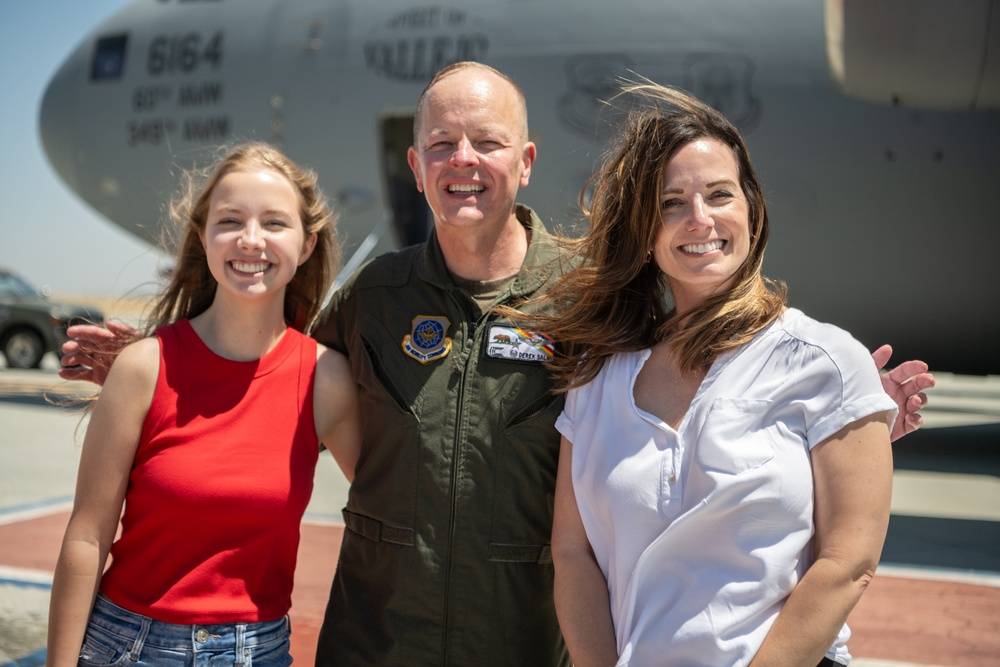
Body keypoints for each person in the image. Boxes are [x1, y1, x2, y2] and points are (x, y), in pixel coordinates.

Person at [58, 64, 934, 666]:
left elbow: (696, 387)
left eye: (485, 142)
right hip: (379, 642)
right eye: (442, 144)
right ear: (417, 164)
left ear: (526, 161)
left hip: (529, 642)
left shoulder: (593, 298)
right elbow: (276, 374)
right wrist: (159, 367)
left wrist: (849, 410)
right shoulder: (379, 294)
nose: (462, 161)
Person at [525, 82, 905, 666]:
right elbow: (573, 554)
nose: (700, 219)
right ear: (643, 230)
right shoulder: (596, 376)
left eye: (719, 194)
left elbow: (848, 562)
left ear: (750, 206)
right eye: (671, 202)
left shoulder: (826, 361)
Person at [47, 142, 361, 666]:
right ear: (203, 237)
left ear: (306, 245)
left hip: (257, 651)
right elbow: (86, 536)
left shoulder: (326, 379)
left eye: (275, 223)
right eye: (230, 220)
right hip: (127, 647)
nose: (251, 239)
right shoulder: (143, 368)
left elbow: (391, 511)